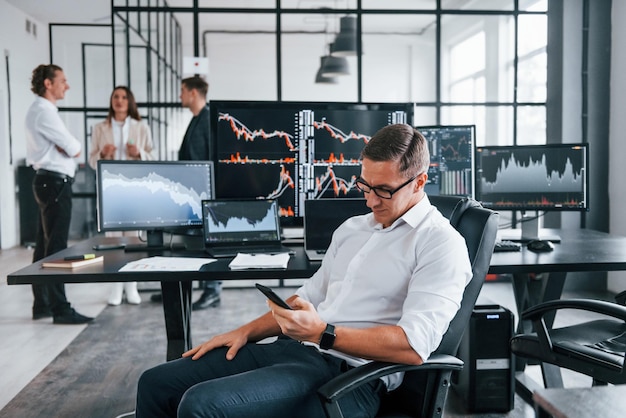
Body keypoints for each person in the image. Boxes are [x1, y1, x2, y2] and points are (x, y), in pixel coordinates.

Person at [136, 123, 472, 418]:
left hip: (349, 378)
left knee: (200, 405)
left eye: (383, 191)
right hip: (297, 350)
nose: (370, 201)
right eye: (365, 186)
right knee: (156, 383)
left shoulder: (440, 244)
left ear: (419, 182)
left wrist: (323, 333)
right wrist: (246, 331)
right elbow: (308, 297)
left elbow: (413, 347)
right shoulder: (354, 228)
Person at [25, 64, 94, 325]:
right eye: (63, 81)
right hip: (54, 183)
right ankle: (59, 308)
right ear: (48, 84)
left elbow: (69, 147)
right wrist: (68, 146)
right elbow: (74, 148)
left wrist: (66, 146)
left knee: (45, 247)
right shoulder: (44, 112)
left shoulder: (42, 110)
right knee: (55, 249)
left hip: (50, 182)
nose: (67, 85)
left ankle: (42, 304)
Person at [150, 75, 221, 310]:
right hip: (193, 193)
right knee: (188, 242)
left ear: (193, 92)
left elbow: (209, 158)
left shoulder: (208, 118)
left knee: (205, 243)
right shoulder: (197, 119)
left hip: (204, 194)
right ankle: (180, 290)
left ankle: (211, 291)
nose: (179, 95)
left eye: (182, 90)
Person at [89, 86, 154, 306]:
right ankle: (116, 286)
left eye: (124, 97)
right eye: (115, 97)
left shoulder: (141, 127)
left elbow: (153, 157)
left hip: (134, 188)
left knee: (134, 239)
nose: (119, 100)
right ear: (111, 101)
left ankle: (131, 286)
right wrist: (102, 154)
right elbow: (91, 161)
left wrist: (140, 154)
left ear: (130, 101)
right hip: (110, 189)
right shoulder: (100, 128)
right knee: (114, 240)